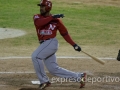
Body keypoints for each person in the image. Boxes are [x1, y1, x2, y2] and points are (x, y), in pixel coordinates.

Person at [32, 0, 86, 89]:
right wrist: (52, 17)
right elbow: (39, 23)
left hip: (51, 43)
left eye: (43, 6)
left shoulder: (57, 21)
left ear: (48, 7)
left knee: (35, 56)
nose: (41, 8)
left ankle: (44, 81)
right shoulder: (37, 17)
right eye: (40, 6)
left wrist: (74, 44)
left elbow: (64, 33)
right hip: (44, 45)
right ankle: (80, 77)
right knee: (53, 69)